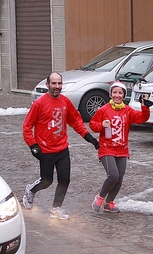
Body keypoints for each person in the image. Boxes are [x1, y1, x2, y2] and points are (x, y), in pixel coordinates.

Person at [22, 72, 99, 220]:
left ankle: (56, 208)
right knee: (46, 181)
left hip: (62, 149)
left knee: (64, 180)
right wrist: (33, 146)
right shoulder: (39, 103)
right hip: (45, 150)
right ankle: (30, 191)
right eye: (54, 84)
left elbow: (75, 121)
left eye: (59, 84)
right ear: (48, 85)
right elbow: (27, 126)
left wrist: (88, 137)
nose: (57, 87)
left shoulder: (65, 102)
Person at [90, 81, 152, 213]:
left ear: (124, 95)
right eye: (114, 92)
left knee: (119, 178)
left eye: (120, 93)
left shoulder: (128, 110)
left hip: (122, 150)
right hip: (107, 148)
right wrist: (102, 125)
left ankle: (109, 203)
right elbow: (92, 125)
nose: (117, 95)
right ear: (110, 94)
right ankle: (99, 198)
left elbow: (142, 118)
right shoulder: (103, 110)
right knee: (113, 175)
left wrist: (144, 107)